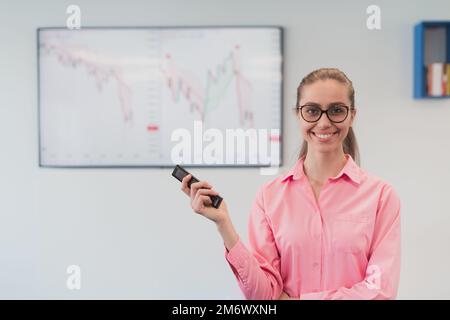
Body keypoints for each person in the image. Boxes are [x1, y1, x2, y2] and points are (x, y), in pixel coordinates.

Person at [180, 68, 401, 300]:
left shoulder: (381, 197)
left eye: (337, 110)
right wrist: (224, 224)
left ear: (352, 115)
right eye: (312, 111)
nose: (324, 122)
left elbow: (380, 292)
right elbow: (263, 296)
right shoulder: (269, 196)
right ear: (298, 114)